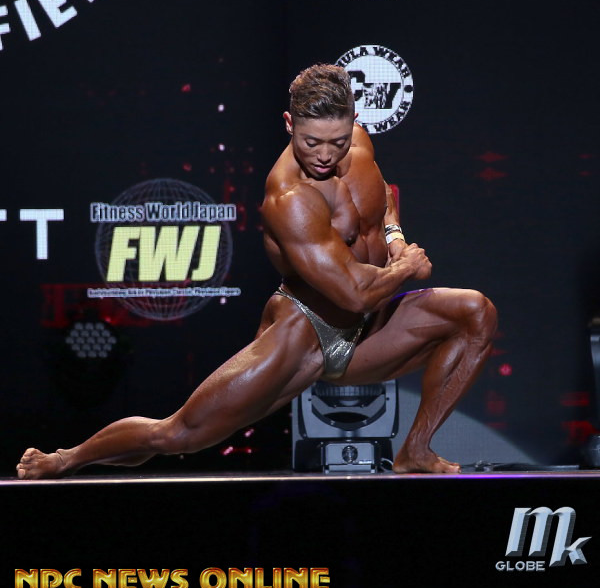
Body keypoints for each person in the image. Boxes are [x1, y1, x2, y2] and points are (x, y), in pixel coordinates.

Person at [17, 64, 496, 479]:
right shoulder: (289, 198)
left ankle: (415, 451)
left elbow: (383, 200)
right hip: (309, 329)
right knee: (180, 434)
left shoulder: (360, 146)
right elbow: (351, 294)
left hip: (372, 324)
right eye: (310, 142)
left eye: (337, 142)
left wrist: (394, 239)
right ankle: (66, 459)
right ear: (289, 124)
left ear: (354, 124)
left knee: (476, 312)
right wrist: (406, 267)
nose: (325, 155)